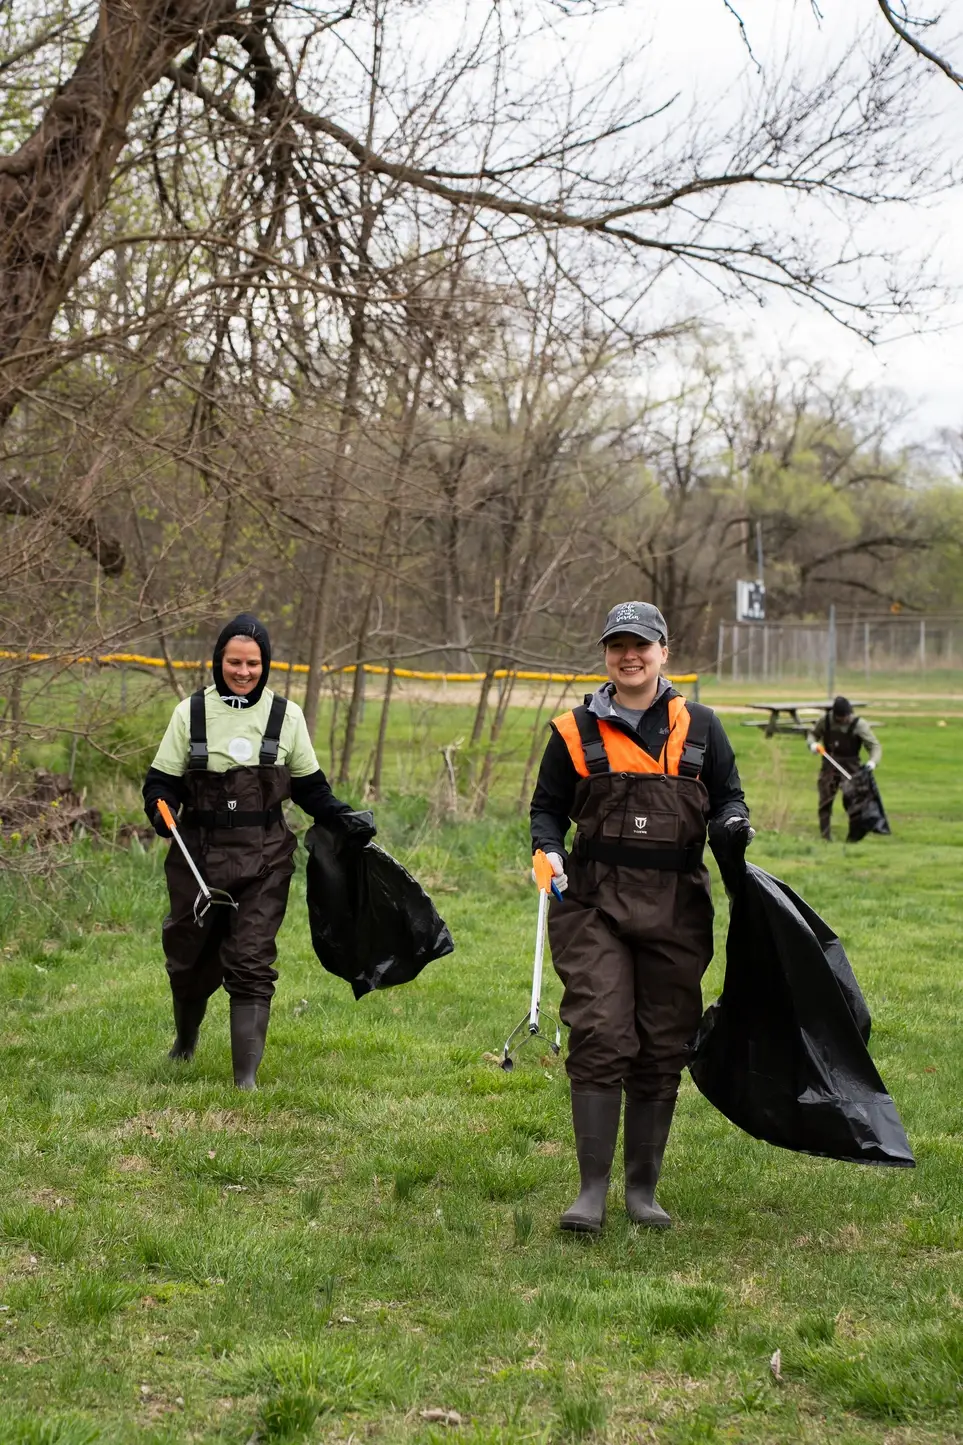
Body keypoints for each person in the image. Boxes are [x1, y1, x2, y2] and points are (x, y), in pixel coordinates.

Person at [530, 601, 752, 1234]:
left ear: (664, 651)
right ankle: (591, 1192)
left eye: (642, 645)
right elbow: (546, 809)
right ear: (606, 654)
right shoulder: (572, 731)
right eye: (618, 645)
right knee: (600, 1029)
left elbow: (728, 798)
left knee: (663, 1042)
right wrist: (546, 848)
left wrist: (732, 826)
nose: (630, 656)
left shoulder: (704, 728)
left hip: (678, 907)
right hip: (593, 902)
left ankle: (642, 1192)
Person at [142, 613, 374, 1089]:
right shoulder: (191, 714)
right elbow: (161, 782)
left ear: (265, 664)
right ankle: (184, 1043)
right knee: (188, 959)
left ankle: (244, 1079)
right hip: (197, 858)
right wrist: (158, 806)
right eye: (234, 662)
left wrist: (342, 817)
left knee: (250, 960)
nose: (243, 672)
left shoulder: (285, 716)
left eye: (252, 663)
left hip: (265, 858)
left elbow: (311, 790)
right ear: (218, 661)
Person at [806, 695, 882, 841]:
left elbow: (874, 746)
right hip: (830, 764)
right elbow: (813, 734)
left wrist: (873, 762)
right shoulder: (826, 721)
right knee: (825, 801)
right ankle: (825, 835)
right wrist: (812, 744)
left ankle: (854, 836)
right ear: (835, 715)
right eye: (841, 717)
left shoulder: (859, 725)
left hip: (851, 767)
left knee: (854, 801)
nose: (844, 720)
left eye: (846, 716)